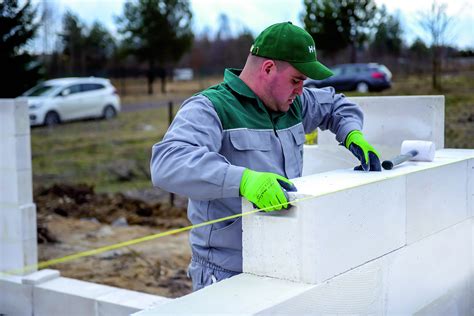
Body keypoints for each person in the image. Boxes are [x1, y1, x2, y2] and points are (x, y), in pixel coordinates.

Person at [150, 21, 381, 291]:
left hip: (282, 260)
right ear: (268, 68)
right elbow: (168, 162)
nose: (300, 89)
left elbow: (336, 105)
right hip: (227, 272)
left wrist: (352, 134)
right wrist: (244, 181)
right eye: (296, 80)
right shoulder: (212, 108)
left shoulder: (294, 103)